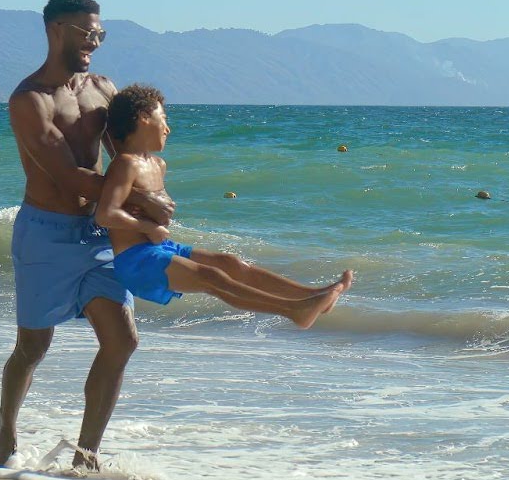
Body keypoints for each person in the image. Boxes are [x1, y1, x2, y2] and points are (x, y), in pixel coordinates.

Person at [0, 0, 173, 471]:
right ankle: (6, 436)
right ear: (54, 29)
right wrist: (138, 199)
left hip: (98, 232)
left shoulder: (102, 88)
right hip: (45, 233)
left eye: (100, 32)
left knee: (123, 339)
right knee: (34, 346)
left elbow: (127, 157)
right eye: (85, 31)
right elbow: (66, 174)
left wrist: (149, 197)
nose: (94, 40)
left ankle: (85, 454)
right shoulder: (29, 99)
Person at [96, 83, 350, 327]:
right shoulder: (125, 164)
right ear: (143, 118)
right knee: (211, 278)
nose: (168, 129)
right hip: (135, 261)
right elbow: (105, 214)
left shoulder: (158, 165)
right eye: (163, 119)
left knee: (231, 264)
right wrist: (146, 227)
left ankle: (313, 295)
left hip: (162, 248)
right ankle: (294, 310)